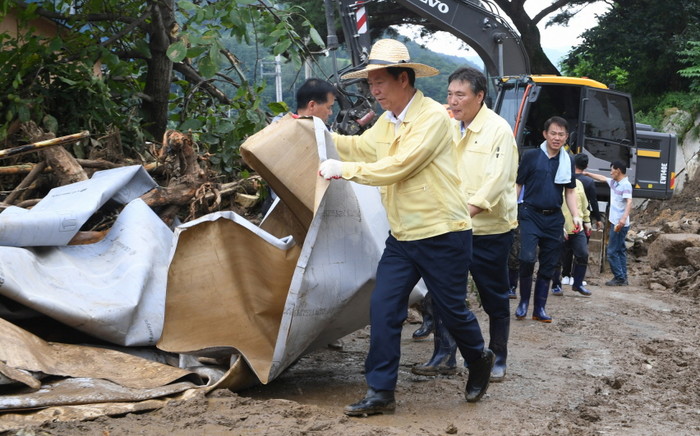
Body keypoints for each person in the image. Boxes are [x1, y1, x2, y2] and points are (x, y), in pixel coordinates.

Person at [317, 39, 494, 416]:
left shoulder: (432, 119)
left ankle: (478, 357)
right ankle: (380, 392)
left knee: (451, 309)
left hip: (443, 232)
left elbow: (399, 166)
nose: (374, 91)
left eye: (380, 82)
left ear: (403, 79)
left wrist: (342, 170)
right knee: (383, 308)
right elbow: (361, 148)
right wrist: (317, 135)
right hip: (402, 237)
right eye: (370, 84)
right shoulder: (387, 121)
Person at [411, 66, 517, 382]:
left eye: (460, 95)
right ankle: (444, 356)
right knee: (445, 294)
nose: (453, 101)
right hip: (453, 227)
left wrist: (464, 213)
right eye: (450, 94)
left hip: (489, 229)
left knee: (494, 296)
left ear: (479, 96)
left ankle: (497, 356)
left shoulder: (498, 130)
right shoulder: (448, 126)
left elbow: (496, 182)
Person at [515, 116, 582, 323]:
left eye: (561, 134)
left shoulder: (567, 160)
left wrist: (576, 215)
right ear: (545, 134)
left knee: (549, 264)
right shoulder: (531, 156)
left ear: (566, 137)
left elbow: (570, 191)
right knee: (527, 258)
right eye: (553, 133)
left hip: (554, 218)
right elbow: (518, 184)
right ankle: (523, 303)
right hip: (530, 214)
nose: (557, 137)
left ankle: (539, 309)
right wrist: (511, 210)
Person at [583, 161, 633, 286]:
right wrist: (587, 174)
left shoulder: (625, 185)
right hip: (616, 222)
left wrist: (623, 219)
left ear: (618, 171)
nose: (610, 173)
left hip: (619, 224)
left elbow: (629, 202)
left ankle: (619, 278)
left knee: (611, 252)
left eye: (612, 170)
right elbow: (602, 178)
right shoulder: (615, 183)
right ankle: (623, 277)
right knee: (620, 250)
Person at [560, 153, 603, 285]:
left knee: (567, 248)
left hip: (566, 218)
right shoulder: (588, 182)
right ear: (586, 166)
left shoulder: (565, 179)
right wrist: (598, 219)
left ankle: (565, 275)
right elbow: (592, 202)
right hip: (581, 219)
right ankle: (575, 276)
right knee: (580, 250)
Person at [550, 177, 593, 297]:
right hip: (559, 227)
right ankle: (556, 285)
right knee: (557, 258)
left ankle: (578, 283)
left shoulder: (578, 183)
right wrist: (558, 226)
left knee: (583, 254)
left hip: (577, 227)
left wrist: (587, 220)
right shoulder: (554, 184)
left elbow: (584, 204)